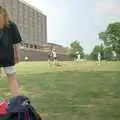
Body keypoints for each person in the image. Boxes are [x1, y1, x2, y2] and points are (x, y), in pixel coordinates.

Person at [0, 6, 22, 96]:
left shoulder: (12, 25)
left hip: (7, 55)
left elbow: (16, 43)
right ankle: (16, 104)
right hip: (8, 56)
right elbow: (16, 43)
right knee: (12, 79)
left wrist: (17, 55)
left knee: (12, 79)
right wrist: (17, 56)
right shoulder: (12, 25)